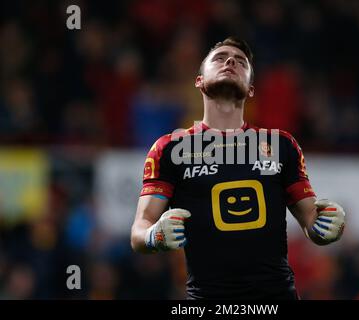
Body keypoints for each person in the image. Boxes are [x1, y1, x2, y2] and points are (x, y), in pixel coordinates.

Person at [130, 37, 346, 300]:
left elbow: (311, 220)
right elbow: (139, 230)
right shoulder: (169, 148)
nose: (231, 61)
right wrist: (154, 236)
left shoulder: (281, 145)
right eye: (220, 58)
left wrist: (326, 226)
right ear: (199, 81)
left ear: (251, 89)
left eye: (240, 62)